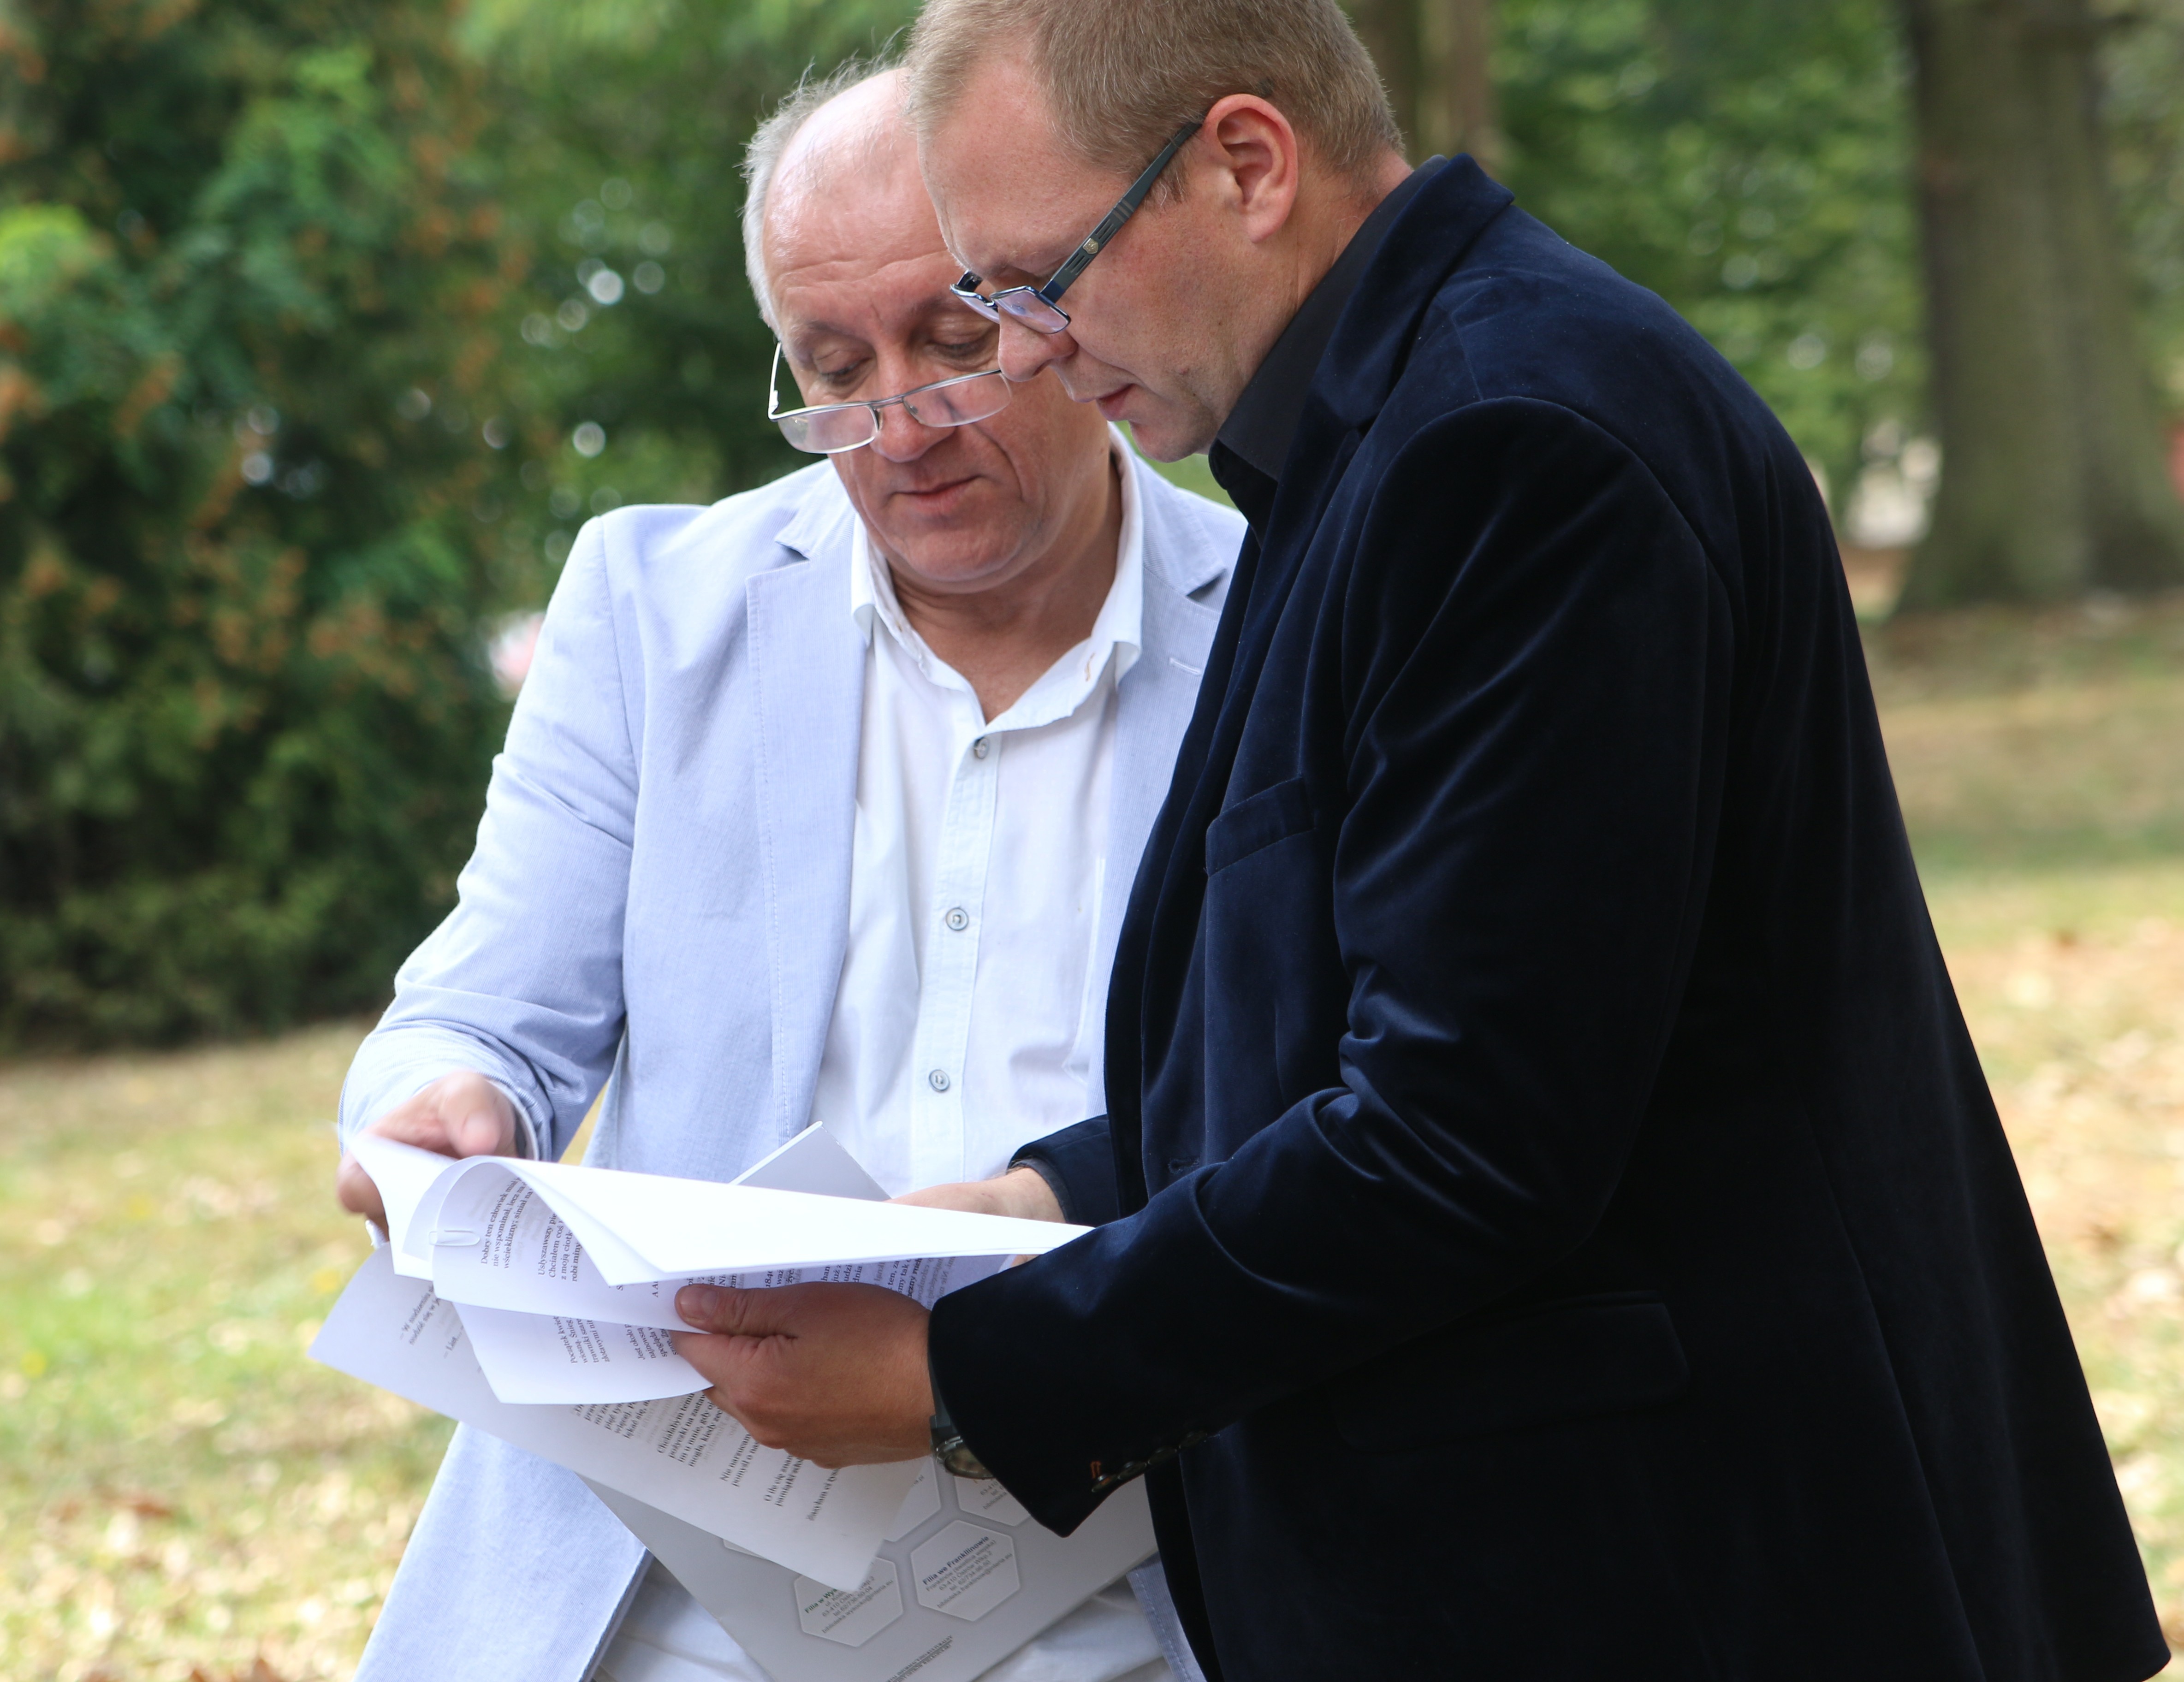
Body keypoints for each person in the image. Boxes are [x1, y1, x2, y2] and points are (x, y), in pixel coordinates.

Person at [661, 3, 2172, 1679]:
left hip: (1692, 1578)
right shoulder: (1368, 435)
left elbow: (1464, 1136)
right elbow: (1367, 1007)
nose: (1032, 347)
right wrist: (1054, 1193)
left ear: (1248, 165)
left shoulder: (1511, 439)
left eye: (1039, 278)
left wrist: (968, 1379)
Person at [332, 62, 1244, 1682]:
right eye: (832, 370)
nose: (898, 425)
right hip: (672, 1585)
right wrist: (443, 1096)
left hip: (1141, 1585)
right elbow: (486, 1013)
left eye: (953, 342)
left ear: (1061, 301)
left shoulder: (1278, 616)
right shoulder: (654, 610)